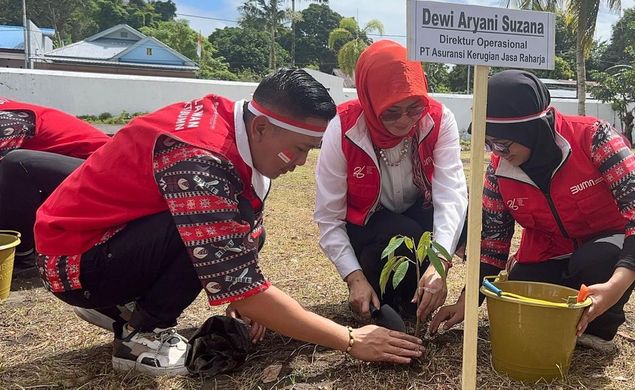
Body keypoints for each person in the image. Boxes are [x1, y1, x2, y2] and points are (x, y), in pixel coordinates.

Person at [34, 69, 424, 377]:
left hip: (111, 239)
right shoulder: (200, 159)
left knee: (247, 230)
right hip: (75, 262)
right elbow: (240, 286)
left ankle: (124, 305)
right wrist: (351, 340)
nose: (302, 162)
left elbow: (242, 245)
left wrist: (251, 296)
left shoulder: (237, 127)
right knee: (202, 234)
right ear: (260, 128)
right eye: (301, 148)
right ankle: (138, 337)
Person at [430, 70, 635, 348]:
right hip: (547, 253)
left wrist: (614, 288)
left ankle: (600, 327)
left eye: (502, 143)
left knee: (597, 260)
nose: (496, 152)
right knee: (519, 290)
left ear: (532, 131)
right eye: (488, 143)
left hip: (607, 249)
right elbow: (492, 245)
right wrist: (466, 303)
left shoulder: (594, 138)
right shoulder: (497, 172)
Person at [314, 40, 468, 323]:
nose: (405, 121)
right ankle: (387, 290)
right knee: (402, 235)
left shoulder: (437, 118)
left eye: (414, 108)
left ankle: (432, 295)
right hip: (369, 225)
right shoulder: (343, 128)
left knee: (471, 219)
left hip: (419, 211)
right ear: (370, 101)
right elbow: (329, 218)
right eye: (391, 112)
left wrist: (440, 264)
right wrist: (354, 278)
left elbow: (451, 194)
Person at [0, 98, 109, 274]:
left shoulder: (8, 122)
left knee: (15, 165)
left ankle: (23, 257)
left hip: (105, 178)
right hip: (74, 173)